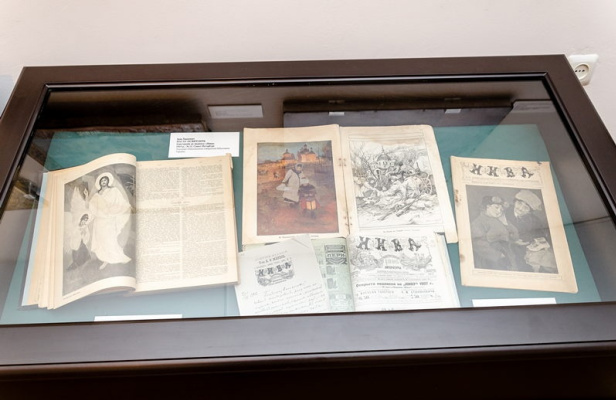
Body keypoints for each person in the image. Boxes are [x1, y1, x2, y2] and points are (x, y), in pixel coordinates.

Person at [88, 172, 132, 269]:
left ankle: (112, 257)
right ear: (99, 182)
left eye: (105, 180)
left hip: (109, 219)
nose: (103, 182)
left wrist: (111, 210)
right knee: (101, 239)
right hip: (99, 221)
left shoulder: (114, 191)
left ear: (108, 181)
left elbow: (120, 202)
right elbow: (92, 207)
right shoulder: (97, 194)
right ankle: (105, 259)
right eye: (102, 180)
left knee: (109, 239)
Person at [506, 189, 556, 272]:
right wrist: (513, 241)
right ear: (515, 202)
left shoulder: (534, 220)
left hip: (527, 249)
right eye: (519, 203)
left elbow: (540, 235)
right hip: (507, 246)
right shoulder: (503, 212)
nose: (520, 209)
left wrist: (538, 243)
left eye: (526, 208)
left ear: (530, 212)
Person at [470, 195, 519, 270]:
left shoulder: (501, 220)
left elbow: (515, 236)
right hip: (490, 259)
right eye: (496, 207)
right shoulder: (478, 222)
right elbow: (478, 244)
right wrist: (498, 255)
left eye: (501, 209)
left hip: (507, 254)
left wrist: (505, 223)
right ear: (488, 206)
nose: (499, 211)